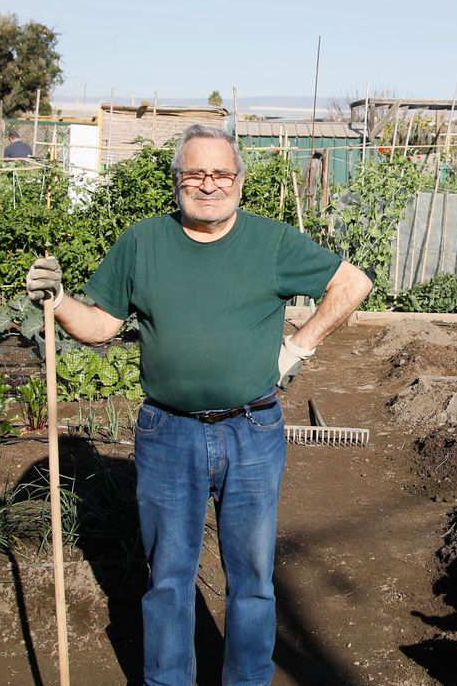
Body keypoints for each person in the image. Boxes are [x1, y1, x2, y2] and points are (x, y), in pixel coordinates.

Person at [25, 123, 371, 685]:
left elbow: (352, 283)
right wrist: (60, 301)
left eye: (220, 173)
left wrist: (298, 347)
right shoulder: (142, 243)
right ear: (177, 181)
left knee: (253, 575)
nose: (208, 184)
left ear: (239, 180)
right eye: (194, 173)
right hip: (168, 434)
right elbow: (100, 326)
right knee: (168, 576)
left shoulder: (272, 242)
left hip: (253, 431)